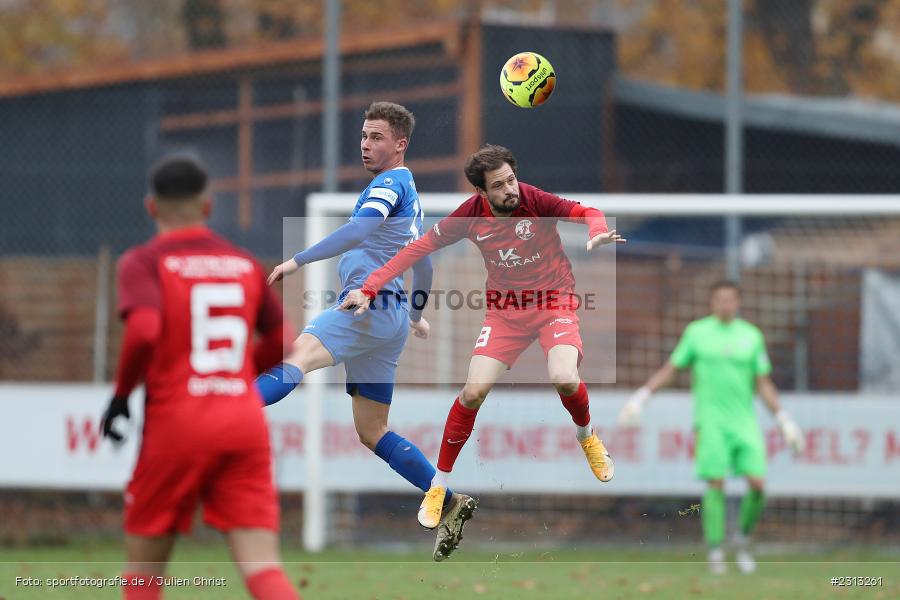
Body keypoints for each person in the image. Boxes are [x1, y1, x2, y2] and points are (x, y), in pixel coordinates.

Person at [341, 144, 625, 553]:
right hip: (505, 314)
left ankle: (587, 436)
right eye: (499, 185)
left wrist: (597, 230)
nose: (511, 190)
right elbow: (415, 250)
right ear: (481, 192)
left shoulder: (534, 200)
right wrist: (369, 287)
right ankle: (438, 487)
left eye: (511, 179)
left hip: (553, 303)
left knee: (564, 377)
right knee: (472, 392)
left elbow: (583, 211)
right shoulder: (469, 216)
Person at [256, 101, 476, 562]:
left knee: (293, 360)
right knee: (373, 431)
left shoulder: (391, 183)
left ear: (400, 144)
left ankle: (225, 410)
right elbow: (426, 262)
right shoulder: (409, 194)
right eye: (363, 135)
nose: (365, 144)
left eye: (376, 137)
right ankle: (449, 500)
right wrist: (414, 315)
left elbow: (358, 231)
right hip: (388, 318)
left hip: (365, 307)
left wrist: (297, 260)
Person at [99, 155, 300, 600]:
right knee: (263, 568)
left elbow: (144, 331)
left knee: (144, 573)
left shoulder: (144, 261)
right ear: (207, 207)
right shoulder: (243, 263)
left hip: (177, 424)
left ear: (151, 207)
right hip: (242, 422)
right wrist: (237, 376)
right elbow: (284, 338)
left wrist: (120, 397)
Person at [619, 280, 805, 575]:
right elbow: (672, 368)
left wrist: (783, 419)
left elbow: (763, 382)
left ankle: (742, 540)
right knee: (715, 483)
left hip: (745, 422)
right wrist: (642, 396)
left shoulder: (751, 336)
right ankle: (716, 551)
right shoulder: (697, 333)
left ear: (738, 303)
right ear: (711, 303)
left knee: (757, 484)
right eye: (719, 299)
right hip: (711, 422)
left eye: (730, 299)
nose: (725, 304)